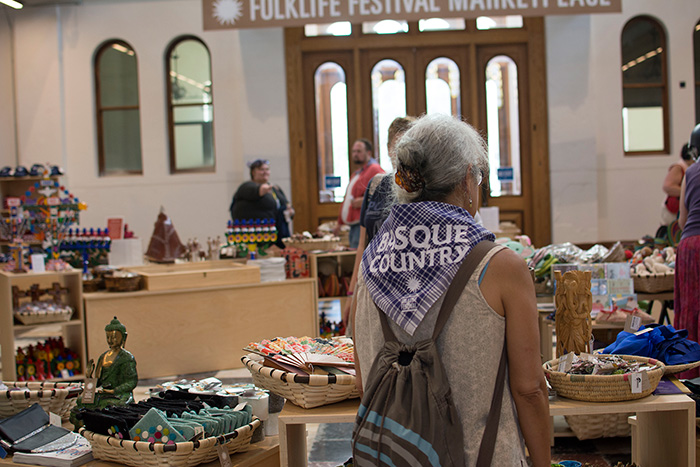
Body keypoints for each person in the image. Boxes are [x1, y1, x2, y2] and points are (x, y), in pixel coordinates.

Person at [351, 114, 550, 466]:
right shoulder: (501, 266)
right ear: (466, 179)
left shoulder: (370, 264)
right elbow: (529, 389)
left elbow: (364, 381)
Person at [342, 117, 415, 326]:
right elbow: (363, 245)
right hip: (372, 287)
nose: (401, 153)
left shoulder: (424, 192)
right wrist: (352, 292)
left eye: (408, 145)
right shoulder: (376, 186)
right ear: (389, 149)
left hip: (407, 292)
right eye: (397, 145)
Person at [674, 123, 700, 379]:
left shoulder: (691, 172)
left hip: (690, 244)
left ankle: (691, 375)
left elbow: (682, 220)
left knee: (692, 307)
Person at [333, 139, 384, 248]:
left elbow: (383, 193)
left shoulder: (375, 169)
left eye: (359, 151)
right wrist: (339, 222)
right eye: (354, 151)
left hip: (362, 223)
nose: (355, 154)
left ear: (368, 153)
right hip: (353, 224)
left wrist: (364, 201)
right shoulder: (357, 173)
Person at [230, 159, 294, 246]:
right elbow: (257, 191)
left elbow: (286, 204)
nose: (265, 172)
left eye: (267, 169)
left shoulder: (275, 188)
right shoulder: (247, 187)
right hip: (258, 237)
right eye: (261, 170)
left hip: (279, 233)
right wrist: (262, 189)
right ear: (253, 172)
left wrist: (290, 211)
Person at [661, 143, 695, 225]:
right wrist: (689, 192)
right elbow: (667, 186)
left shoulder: (689, 168)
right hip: (673, 211)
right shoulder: (679, 167)